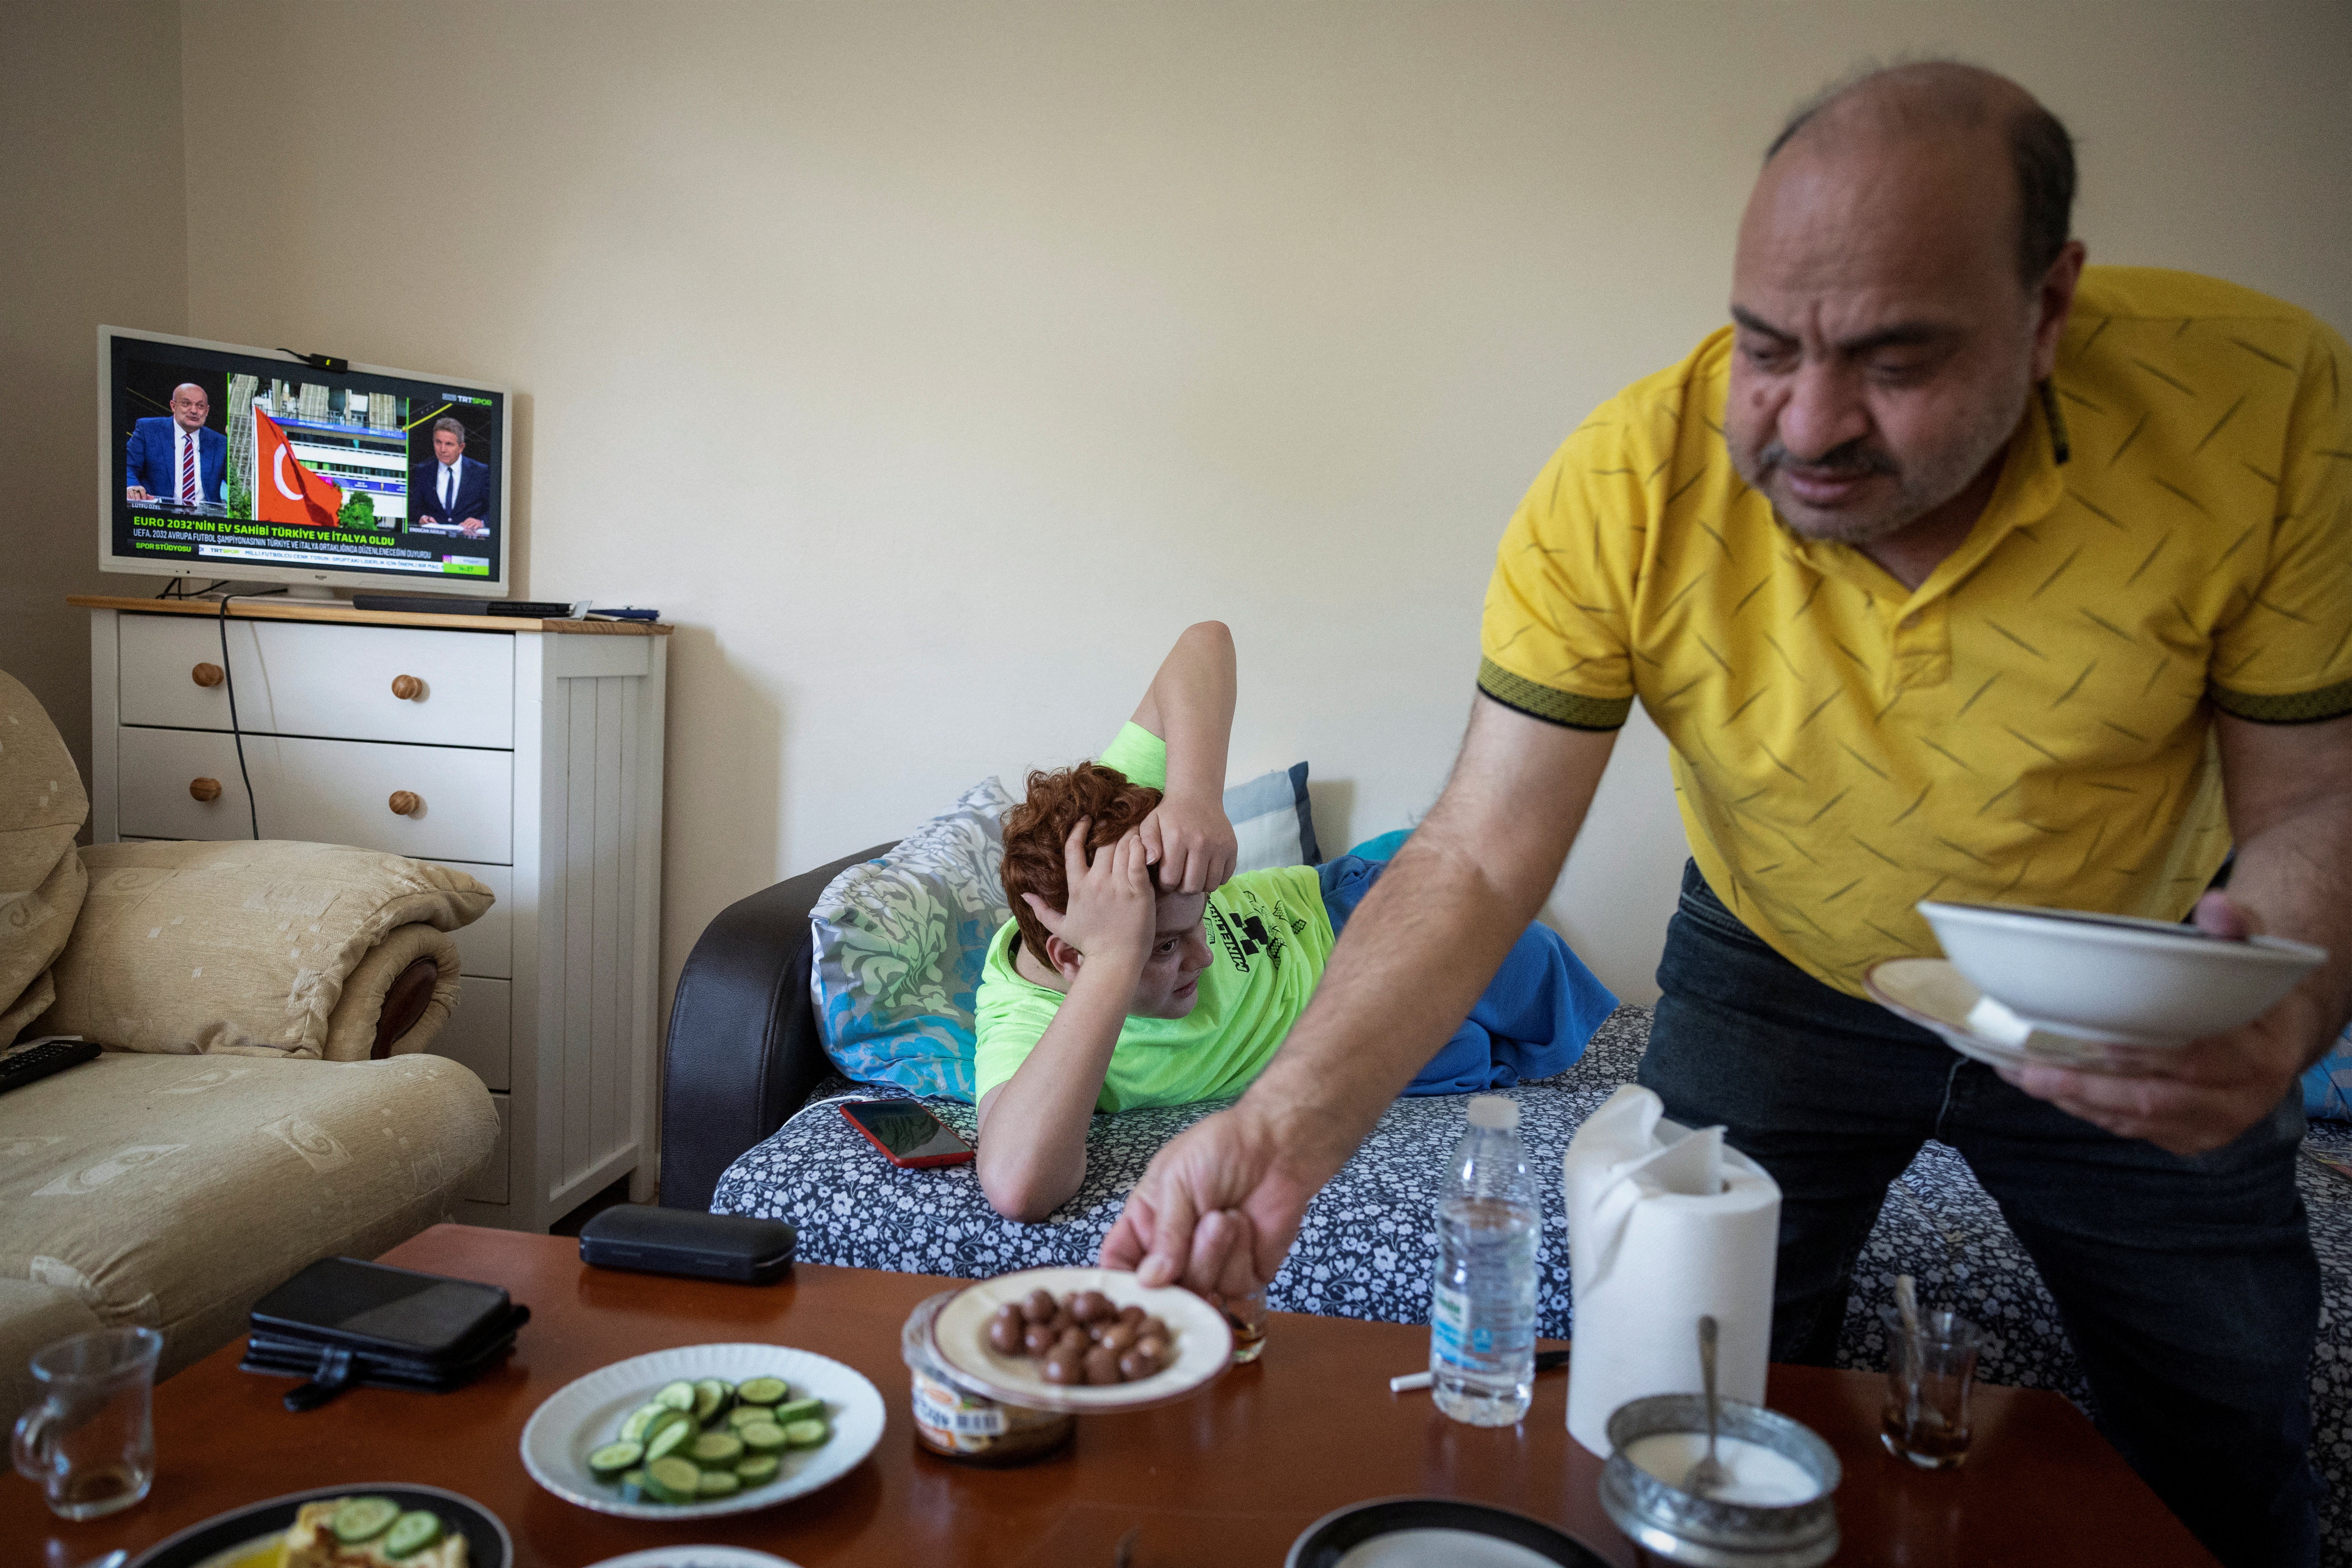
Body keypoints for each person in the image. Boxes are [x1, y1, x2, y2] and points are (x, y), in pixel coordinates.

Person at [1100, 64, 2352, 1567]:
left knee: (2222, 1435)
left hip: (2119, 989)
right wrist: (1282, 1126)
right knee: (1666, 1403)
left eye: (1896, 357)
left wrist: (2283, 992)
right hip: (1778, 965)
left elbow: (2318, 801)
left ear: (2049, 306)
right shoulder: (1625, 484)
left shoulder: (2264, 409)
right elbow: (1480, 850)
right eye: (1767, 345)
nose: (1809, 421)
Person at [973, 620, 1616, 1222]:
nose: (1202, 957)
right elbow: (1016, 1186)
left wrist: (1196, 796)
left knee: (1553, 1004)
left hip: (1356, 915)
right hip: (1347, 1036)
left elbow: (1205, 643)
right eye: (1165, 945)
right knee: (1475, 1053)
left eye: (1195, 927)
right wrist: (1116, 958)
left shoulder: (1110, 829)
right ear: (1069, 957)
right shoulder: (1020, 1019)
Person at [124, 383, 225, 506]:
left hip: (206, 522)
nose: (194, 411)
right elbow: (128, 465)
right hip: (158, 518)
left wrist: (236, 445)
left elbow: (238, 482)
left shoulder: (220, 442)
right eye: (187, 404)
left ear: (207, 411)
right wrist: (132, 485)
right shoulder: (148, 430)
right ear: (173, 406)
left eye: (200, 406)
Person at [412, 417, 493, 536]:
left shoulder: (481, 472)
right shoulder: (423, 471)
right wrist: (422, 518)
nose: (442, 450)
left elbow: (495, 510)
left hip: (469, 544)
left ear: (461, 447)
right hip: (433, 542)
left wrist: (482, 522)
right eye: (438, 442)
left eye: (449, 444)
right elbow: (414, 507)